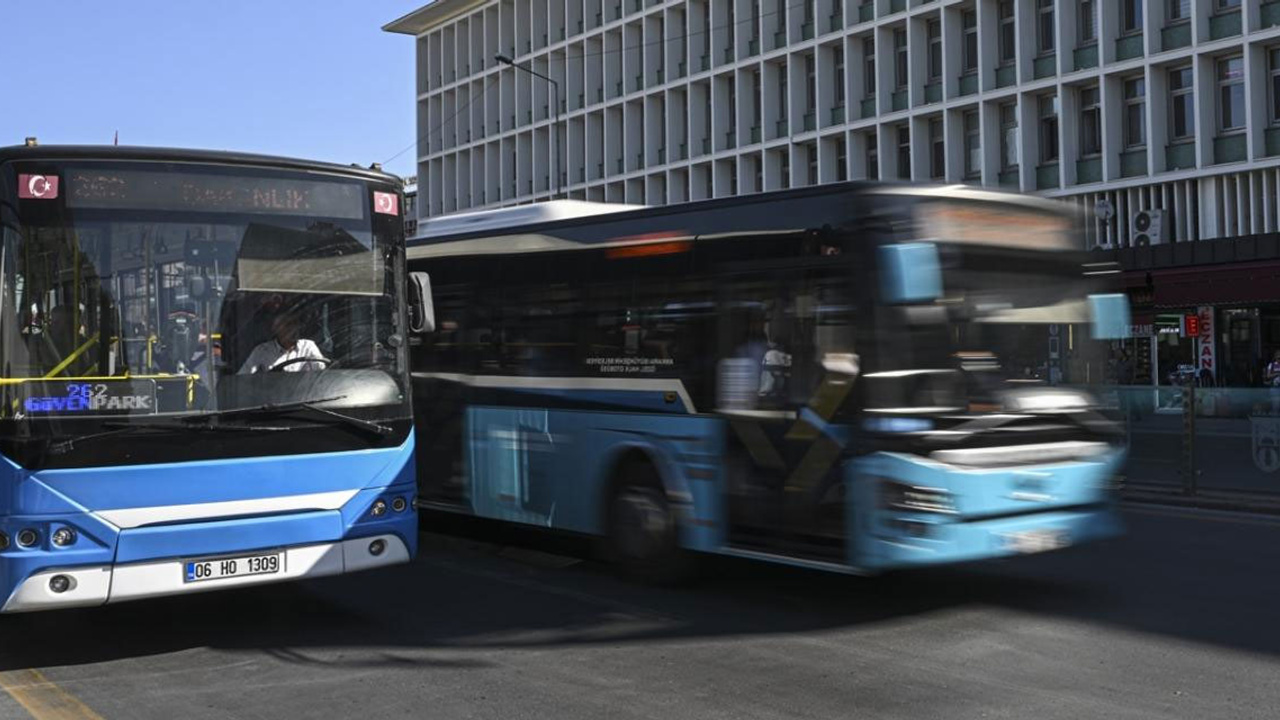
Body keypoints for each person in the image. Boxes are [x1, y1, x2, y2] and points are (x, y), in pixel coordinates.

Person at [238, 310, 325, 374]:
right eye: (287, 325)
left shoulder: (308, 346)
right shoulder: (262, 351)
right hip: (274, 396)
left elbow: (321, 373)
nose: (293, 329)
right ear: (276, 329)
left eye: (295, 324)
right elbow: (243, 377)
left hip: (306, 395)